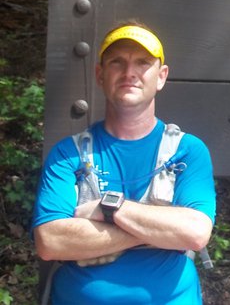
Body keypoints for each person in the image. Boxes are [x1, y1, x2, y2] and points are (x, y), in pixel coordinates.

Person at [33, 21, 216, 304]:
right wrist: (160, 230)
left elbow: (194, 233)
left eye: (143, 62)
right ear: (100, 74)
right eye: (117, 62)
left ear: (161, 77)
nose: (129, 72)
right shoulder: (69, 153)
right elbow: (50, 241)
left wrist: (109, 208)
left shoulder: (187, 151)